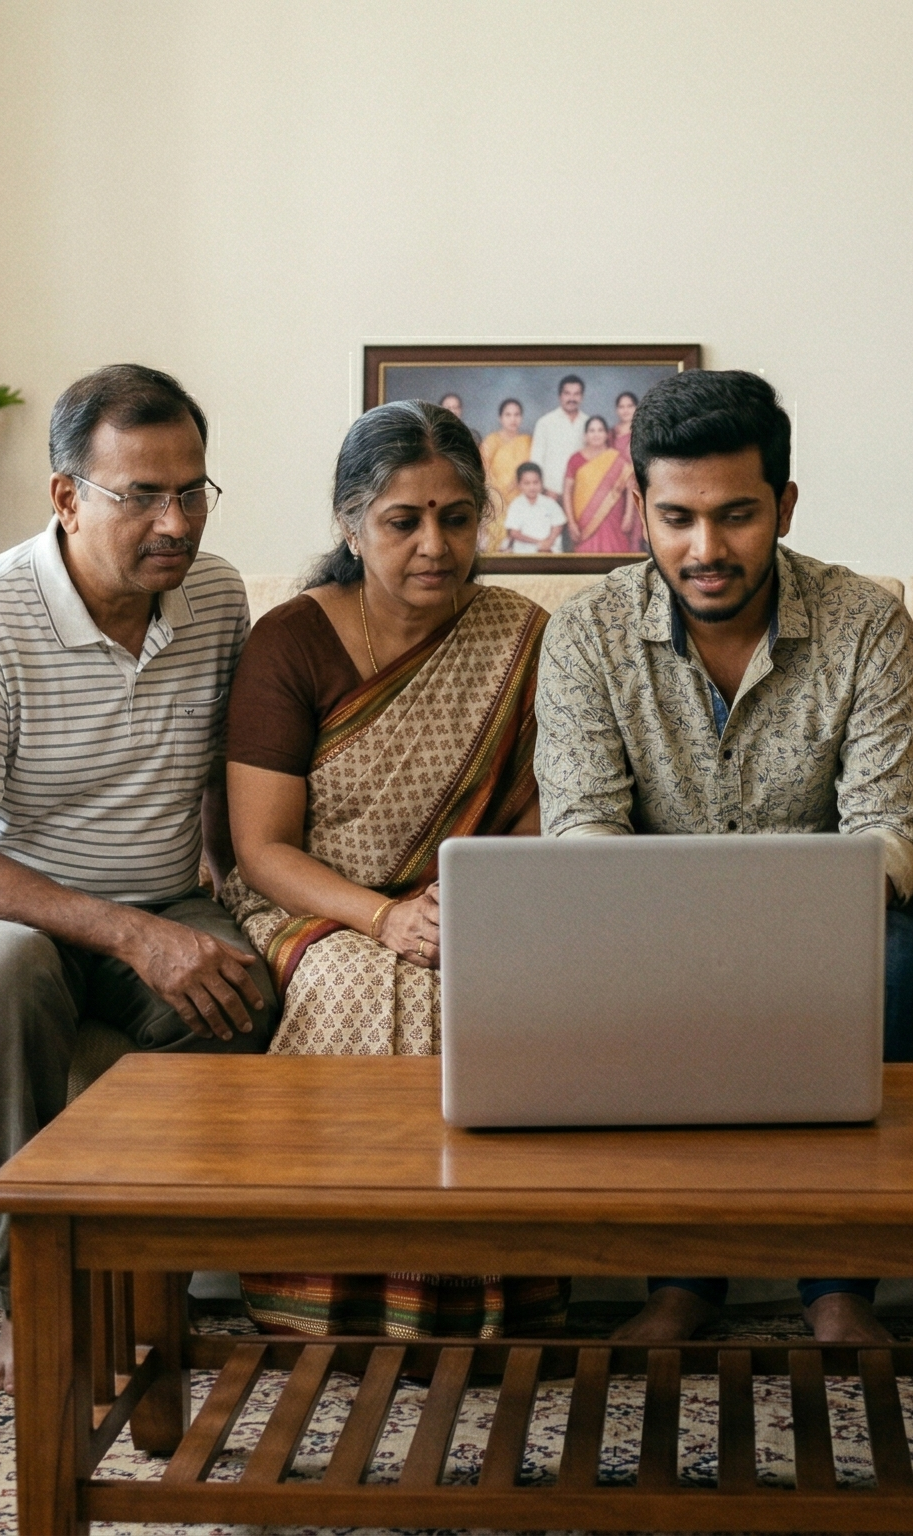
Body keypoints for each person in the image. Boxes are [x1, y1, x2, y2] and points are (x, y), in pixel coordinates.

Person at [0, 364, 278, 1390]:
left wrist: (228, 906)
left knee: (242, 989)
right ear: (67, 497)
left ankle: (151, 1283)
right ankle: (35, 1300)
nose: (175, 523)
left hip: (159, 893)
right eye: (141, 495)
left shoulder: (215, 597)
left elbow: (219, 781)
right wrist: (133, 935)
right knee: (10, 974)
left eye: (191, 492)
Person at [535, 369, 913, 1347]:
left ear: (784, 507)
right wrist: (686, 914)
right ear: (639, 508)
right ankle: (682, 1282)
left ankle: (838, 1287)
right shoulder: (585, 632)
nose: (704, 549)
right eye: (676, 518)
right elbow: (581, 827)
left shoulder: (865, 622)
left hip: (830, 926)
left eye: (736, 516)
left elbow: (893, 832)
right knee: (631, 965)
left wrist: (774, 906)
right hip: (642, 921)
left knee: (892, 957)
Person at [219, 400, 565, 1339]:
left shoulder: (524, 637)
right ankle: (334, 1298)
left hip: (469, 901)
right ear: (350, 524)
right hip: (312, 904)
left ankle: (490, 1296)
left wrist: (477, 898)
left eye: (457, 518)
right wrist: (384, 918)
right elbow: (262, 848)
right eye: (403, 521)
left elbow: (542, 811)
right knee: (357, 985)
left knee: (491, 984)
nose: (434, 546)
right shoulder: (291, 640)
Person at [562, 415, 643, 554]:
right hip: (584, 521)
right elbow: (567, 492)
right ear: (585, 436)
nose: (596, 434)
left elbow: (631, 487)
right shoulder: (575, 459)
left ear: (606, 434)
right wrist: (571, 522)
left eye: (600, 430)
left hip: (614, 517)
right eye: (592, 430)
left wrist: (628, 515)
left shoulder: (617, 459)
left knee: (616, 556)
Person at [480, 398, 532, 549]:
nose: (513, 419)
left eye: (516, 415)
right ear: (500, 418)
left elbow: (530, 470)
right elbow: (483, 470)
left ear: (521, 417)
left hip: (521, 497)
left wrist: (516, 485)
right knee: (497, 543)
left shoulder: (527, 441)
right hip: (496, 498)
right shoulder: (491, 440)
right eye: (508, 415)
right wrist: (498, 493)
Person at [528, 374, 589, 500]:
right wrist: (542, 490)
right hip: (550, 492)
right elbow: (536, 459)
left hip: (580, 492)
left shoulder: (589, 423)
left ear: (582, 397)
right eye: (567, 393)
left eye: (576, 394)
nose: (572, 398)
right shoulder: (545, 422)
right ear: (560, 396)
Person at [501, 461, 568, 552]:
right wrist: (538, 542)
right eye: (527, 483)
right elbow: (514, 532)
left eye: (535, 482)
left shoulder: (549, 503)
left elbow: (558, 523)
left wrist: (549, 541)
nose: (532, 487)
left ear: (541, 482)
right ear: (519, 485)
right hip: (524, 552)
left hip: (549, 550)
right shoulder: (516, 505)